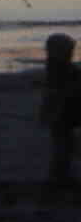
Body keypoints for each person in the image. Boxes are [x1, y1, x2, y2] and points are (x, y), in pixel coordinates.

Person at [45, 34, 78, 187]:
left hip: (65, 114)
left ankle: (59, 177)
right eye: (69, 51)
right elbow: (55, 95)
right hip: (62, 114)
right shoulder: (58, 71)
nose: (71, 53)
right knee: (63, 148)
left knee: (64, 147)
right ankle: (58, 178)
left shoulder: (60, 69)